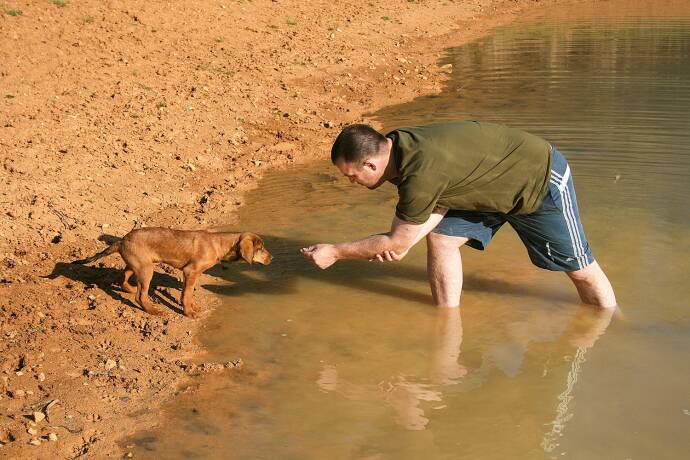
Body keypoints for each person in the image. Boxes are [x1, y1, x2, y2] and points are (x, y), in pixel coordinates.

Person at [300, 121, 616, 308]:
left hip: (537, 179)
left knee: (580, 269)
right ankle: (446, 321)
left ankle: (610, 325)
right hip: (489, 184)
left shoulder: (420, 172)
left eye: (352, 176)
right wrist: (405, 239)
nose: (351, 182)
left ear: (371, 164)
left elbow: (398, 238)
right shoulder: (396, 146)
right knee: (441, 239)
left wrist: (337, 252)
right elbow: (440, 197)